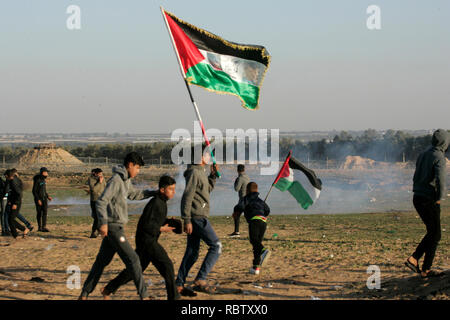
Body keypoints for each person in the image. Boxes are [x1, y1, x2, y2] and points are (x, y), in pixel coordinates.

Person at [79, 152, 157, 300]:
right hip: (113, 227)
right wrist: (102, 224)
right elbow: (102, 201)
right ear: (130, 165)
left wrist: (153, 193)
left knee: (100, 263)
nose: (138, 171)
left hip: (115, 227)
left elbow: (134, 195)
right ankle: (144, 296)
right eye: (138, 167)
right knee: (134, 260)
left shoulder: (125, 180)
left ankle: (84, 294)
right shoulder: (116, 180)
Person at [101, 175, 182, 300]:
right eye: (170, 189)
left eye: (174, 189)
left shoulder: (161, 203)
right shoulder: (156, 203)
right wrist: (161, 228)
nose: (173, 192)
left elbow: (155, 221)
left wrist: (167, 222)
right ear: (162, 189)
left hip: (147, 240)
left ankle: (108, 289)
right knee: (167, 265)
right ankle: (174, 298)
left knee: (134, 270)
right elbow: (146, 225)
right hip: (147, 241)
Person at [175, 144, 221, 295]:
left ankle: (179, 283)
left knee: (192, 252)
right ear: (200, 157)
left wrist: (213, 175)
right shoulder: (195, 172)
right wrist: (186, 219)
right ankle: (200, 278)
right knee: (216, 246)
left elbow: (206, 190)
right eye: (208, 155)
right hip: (197, 217)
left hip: (198, 216)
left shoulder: (201, 171)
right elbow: (187, 197)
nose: (210, 157)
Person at [405, 129, 449, 278]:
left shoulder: (423, 154)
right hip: (429, 199)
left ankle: (425, 269)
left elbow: (415, 176)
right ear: (445, 142)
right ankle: (415, 259)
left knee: (433, 233)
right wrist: (439, 197)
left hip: (417, 197)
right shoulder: (439, 157)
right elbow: (441, 180)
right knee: (435, 234)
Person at [234, 182, 271, 275]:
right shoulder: (260, 200)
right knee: (256, 244)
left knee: (254, 241)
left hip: (254, 221)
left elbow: (240, 206)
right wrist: (261, 212)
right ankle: (256, 267)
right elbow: (267, 210)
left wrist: (236, 212)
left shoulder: (246, 198)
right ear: (257, 190)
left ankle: (264, 251)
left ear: (247, 190)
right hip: (263, 221)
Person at [5, 169, 30, 240]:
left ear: (7, 176)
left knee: (10, 219)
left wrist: (15, 203)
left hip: (16, 203)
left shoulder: (13, 182)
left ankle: (17, 234)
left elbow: (19, 193)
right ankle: (21, 231)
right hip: (13, 202)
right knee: (10, 219)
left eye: (5, 176)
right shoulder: (12, 181)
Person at [229, 164, 250, 237]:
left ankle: (236, 232)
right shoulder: (247, 177)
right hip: (248, 199)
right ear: (244, 169)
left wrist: (235, 181)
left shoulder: (240, 178)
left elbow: (236, 189)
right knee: (248, 216)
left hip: (242, 200)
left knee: (236, 213)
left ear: (237, 170)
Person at [86, 168, 106, 238]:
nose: (101, 175)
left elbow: (105, 187)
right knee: (96, 217)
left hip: (102, 200)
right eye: (99, 174)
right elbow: (94, 190)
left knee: (102, 217)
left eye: (101, 174)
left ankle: (99, 231)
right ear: (95, 173)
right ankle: (94, 232)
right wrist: (99, 182)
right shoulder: (91, 179)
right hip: (94, 200)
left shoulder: (102, 179)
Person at [32, 167, 52, 232]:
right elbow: (34, 191)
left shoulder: (43, 180)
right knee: (39, 213)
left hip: (44, 199)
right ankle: (39, 227)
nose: (47, 174)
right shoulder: (37, 180)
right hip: (39, 199)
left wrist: (47, 196)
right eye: (46, 172)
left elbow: (43, 190)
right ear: (43, 173)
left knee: (45, 212)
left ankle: (44, 227)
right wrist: (38, 200)